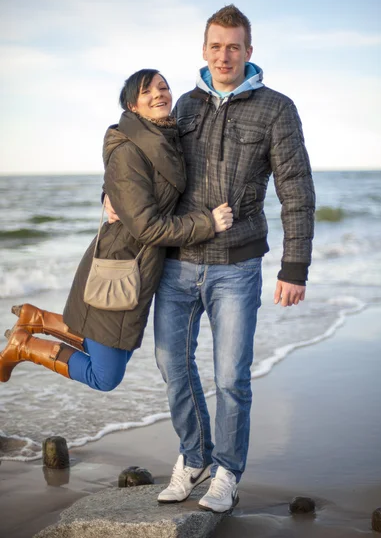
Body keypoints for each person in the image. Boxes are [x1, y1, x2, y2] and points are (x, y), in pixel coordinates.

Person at [138, 5, 315, 513]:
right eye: (215, 46)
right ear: (204, 50)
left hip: (236, 267)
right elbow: (140, 155)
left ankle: (227, 473)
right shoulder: (184, 106)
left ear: (249, 52)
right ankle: (194, 456)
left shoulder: (277, 109)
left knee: (231, 376)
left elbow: (296, 190)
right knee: (172, 363)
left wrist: (294, 266)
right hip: (176, 261)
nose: (224, 55)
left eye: (234, 46)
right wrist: (112, 196)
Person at [0, 69, 233, 389]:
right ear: (132, 106)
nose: (158, 95)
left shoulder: (167, 139)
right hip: (118, 265)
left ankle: (38, 319)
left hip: (140, 268)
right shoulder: (130, 148)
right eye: (146, 92)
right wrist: (208, 223)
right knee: (105, 375)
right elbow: (146, 225)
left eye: (163, 88)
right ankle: (25, 345)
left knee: (112, 356)